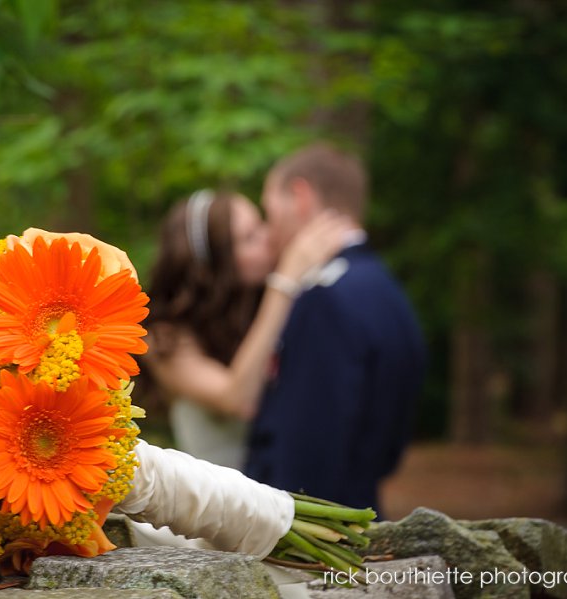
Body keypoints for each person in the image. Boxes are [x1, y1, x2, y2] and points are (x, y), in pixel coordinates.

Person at [245, 143, 427, 514]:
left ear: (300, 196)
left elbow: (306, 450)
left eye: (270, 210)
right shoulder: (386, 289)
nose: (269, 229)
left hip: (319, 536)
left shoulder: (324, 300)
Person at [143, 189, 350, 469]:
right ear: (211, 265)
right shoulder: (163, 338)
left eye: (261, 223)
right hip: (219, 502)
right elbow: (237, 400)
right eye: (249, 238)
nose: (268, 237)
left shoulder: (262, 304)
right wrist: (284, 283)